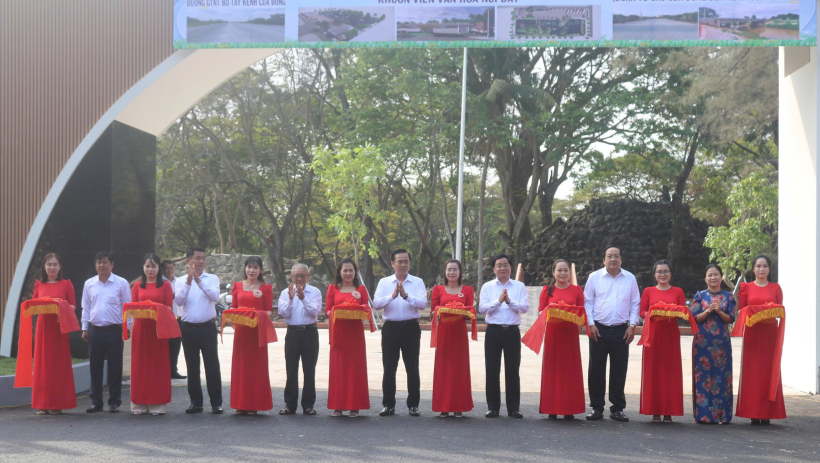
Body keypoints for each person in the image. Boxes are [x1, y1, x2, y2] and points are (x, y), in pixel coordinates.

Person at [583, 245, 639, 422]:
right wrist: (590, 324)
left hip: (622, 330)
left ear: (621, 259)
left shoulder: (630, 278)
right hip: (598, 329)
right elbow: (587, 303)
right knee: (596, 370)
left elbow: (635, 304)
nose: (613, 259)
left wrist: (632, 325)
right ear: (603, 260)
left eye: (616, 256)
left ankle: (617, 408)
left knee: (619, 370)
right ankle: (597, 407)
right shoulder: (594, 277)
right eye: (609, 256)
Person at [372, 249, 427, 417]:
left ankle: (413, 404)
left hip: (411, 328)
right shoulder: (384, 282)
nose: (403, 264)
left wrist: (406, 296)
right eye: (399, 261)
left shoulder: (417, 282)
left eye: (406, 261)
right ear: (392, 264)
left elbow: (423, 303)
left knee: (412, 367)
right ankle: (388, 404)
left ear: (409, 263)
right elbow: (376, 304)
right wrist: (393, 295)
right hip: (390, 328)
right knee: (389, 367)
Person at [735, 254, 786, 424]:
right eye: (758, 266)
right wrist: (755, 311)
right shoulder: (746, 287)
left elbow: (780, 310)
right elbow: (741, 311)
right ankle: (753, 412)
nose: (761, 269)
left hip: (770, 334)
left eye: (765, 266)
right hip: (753, 334)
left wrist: (769, 311)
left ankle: (767, 412)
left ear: (769, 269)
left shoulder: (776, 288)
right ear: (754, 269)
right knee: (753, 373)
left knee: (769, 371)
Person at [478, 253, 529, 419]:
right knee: (492, 369)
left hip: (512, 331)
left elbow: (524, 307)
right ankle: (493, 407)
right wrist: (498, 301)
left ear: (510, 267)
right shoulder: (487, 287)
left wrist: (509, 302)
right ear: (493, 268)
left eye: (505, 265)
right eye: (499, 265)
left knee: (512, 370)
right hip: (493, 331)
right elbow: (482, 309)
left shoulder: (519, 287)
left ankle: (513, 408)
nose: (502, 268)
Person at [535, 259, 586, 420]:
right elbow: (540, 311)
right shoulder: (547, 290)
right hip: (553, 334)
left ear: (569, 273)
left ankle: (569, 408)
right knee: (552, 370)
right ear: (553, 272)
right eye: (559, 270)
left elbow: (582, 312)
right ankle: (552, 407)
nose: (563, 273)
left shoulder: (576, 290)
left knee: (570, 370)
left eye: (565, 270)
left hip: (570, 334)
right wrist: (551, 311)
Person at [81, 251, 131, 413]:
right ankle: (96, 402)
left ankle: (114, 402)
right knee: (95, 368)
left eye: (105, 262)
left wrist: (127, 327)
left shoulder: (121, 283)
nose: (101, 265)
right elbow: (86, 307)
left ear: (112, 264)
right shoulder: (89, 284)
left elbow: (127, 307)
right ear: (95, 265)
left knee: (115, 368)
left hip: (115, 330)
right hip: (95, 330)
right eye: (98, 262)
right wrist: (84, 327)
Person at [175, 246, 223, 414]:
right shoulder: (180, 281)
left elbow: (214, 297)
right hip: (188, 329)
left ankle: (216, 402)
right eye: (197, 258)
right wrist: (189, 282)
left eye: (203, 258)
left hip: (208, 328)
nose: (201, 261)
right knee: (192, 366)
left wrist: (199, 281)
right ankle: (196, 402)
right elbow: (179, 301)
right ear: (189, 261)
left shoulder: (212, 278)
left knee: (212, 365)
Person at [638, 260, 687, 423]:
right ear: (654, 275)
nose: (663, 274)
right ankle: (655, 411)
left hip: (671, 334)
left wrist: (671, 312)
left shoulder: (678, 291)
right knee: (653, 371)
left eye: (666, 271)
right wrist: (654, 312)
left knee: (670, 372)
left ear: (671, 274)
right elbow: (642, 312)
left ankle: (669, 411)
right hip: (653, 333)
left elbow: (683, 312)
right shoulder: (648, 291)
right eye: (659, 272)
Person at [29, 253, 78, 415]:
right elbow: (34, 305)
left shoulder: (66, 284)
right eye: (49, 264)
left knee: (57, 366)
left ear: (60, 267)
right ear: (44, 267)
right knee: (42, 366)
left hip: (59, 329)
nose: (52, 267)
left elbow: (73, 306)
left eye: (55, 264)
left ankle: (56, 403)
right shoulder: (39, 285)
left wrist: (60, 307)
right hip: (43, 328)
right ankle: (42, 404)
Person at [129, 253, 176, 415]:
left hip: (159, 331)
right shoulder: (137, 287)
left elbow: (169, 309)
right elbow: (132, 309)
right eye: (147, 266)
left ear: (159, 268)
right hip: (140, 330)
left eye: (153, 266)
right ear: (143, 267)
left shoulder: (165, 286)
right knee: (139, 366)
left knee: (158, 367)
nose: (150, 269)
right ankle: (138, 404)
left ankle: (157, 404)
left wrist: (155, 309)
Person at [229, 256, 274, 415]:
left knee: (256, 368)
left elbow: (269, 311)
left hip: (257, 333)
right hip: (241, 333)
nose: (252, 270)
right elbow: (233, 307)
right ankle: (240, 404)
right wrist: (235, 319)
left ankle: (254, 404)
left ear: (260, 270)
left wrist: (256, 315)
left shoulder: (265, 288)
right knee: (241, 368)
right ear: (245, 269)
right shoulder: (237, 286)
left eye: (255, 267)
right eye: (249, 267)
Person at [326, 258, 371, 417]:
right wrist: (340, 310)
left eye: (351, 270)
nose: (348, 273)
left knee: (355, 369)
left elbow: (366, 309)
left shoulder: (361, 289)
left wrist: (356, 308)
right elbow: (327, 310)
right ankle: (337, 406)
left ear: (355, 272)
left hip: (355, 334)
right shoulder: (333, 288)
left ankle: (354, 406)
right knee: (338, 369)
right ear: (339, 272)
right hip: (338, 333)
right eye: (345, 270)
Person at [691, 264, 736, 424]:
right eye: (710, 275)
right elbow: (694, 317)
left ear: (721, 277)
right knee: (702, 376)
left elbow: (731, 318)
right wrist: (708, 310)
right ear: (705, 278)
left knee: (722, 377)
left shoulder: (728, 296)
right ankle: (703, 415)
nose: (713, 278)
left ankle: (722, 415)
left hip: (721, 345)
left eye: (716, 275)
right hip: (702, 343)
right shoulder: (700, 295)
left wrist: (719, 312)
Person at [430, 259, 475, 418]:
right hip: (444, 332)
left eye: (455, 269)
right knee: (444, 369)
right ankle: (443, 406)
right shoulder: (438, 290)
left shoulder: (468, 290)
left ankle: (458, 406)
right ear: (445, 272)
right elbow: (432, 313)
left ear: (460, 272)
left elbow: (470, 313)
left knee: (459, 368)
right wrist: (440, 310)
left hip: (459, 332)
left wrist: (462, 311)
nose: (452, 272)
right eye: (449, 269)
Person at [277, 263, 321, 416]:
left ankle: (308, 405)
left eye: (303, 275)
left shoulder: (314, 292)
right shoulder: (285, 292)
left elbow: (315, 312)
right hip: (292, 333)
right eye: (296, 276)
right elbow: (283, 313)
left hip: (309, 332)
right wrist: (291, 299)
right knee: (291, 369)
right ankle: (290, 405)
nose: (300, 278)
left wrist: (303, 298)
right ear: (292, 277)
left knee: (309, 370)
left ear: (308, 276)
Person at [162, 259, 186, 380]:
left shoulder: (179, 281)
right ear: (162, 269)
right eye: (166, 268)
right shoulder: (160, 282)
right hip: (165, 319)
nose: (169, 271)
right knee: (164, 346)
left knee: (176, 345)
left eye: (171, 268)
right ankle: (162, 369)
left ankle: (173, 370)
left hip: (178, 318)